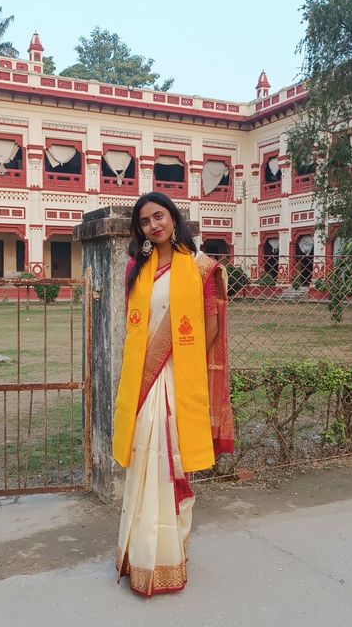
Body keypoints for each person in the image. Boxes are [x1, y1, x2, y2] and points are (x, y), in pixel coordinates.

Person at [113, 191, 234, 596]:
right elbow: (136, 327)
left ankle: (168, 555)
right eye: (145, 222)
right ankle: (139, 556)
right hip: (143, 382)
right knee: (143, 464)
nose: (153, 226)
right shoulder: (138, 266)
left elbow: (211, 327)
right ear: (140, 230)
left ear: (173, 218)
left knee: (169, 463)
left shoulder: (199, 268)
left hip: (173, 380)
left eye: (159, 217)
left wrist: (177, 364)